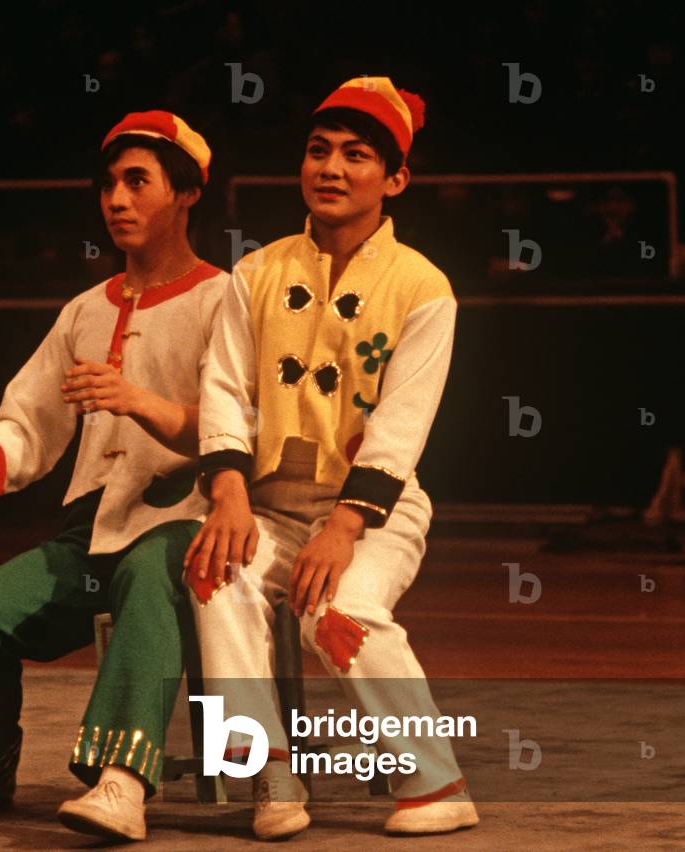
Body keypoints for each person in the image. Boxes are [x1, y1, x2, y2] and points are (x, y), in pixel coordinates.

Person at [0, 110, 228, 843]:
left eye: (137, 181)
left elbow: (239, 422)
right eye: (108, 183)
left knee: (147, 576)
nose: (116, 198)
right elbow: (31, 416)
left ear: (186, 193)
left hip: (185, 525)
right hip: (92, 529)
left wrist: (140, 402)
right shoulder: (84, 309)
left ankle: (122, 781)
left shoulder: (222, 300)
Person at [184, 77, 479, 839]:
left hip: (372, 511)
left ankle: (436, 783)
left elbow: (401, 425)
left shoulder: (423, 287)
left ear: (395, 179)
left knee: (338, 612)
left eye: (355, 155)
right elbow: (222, 389)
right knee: (213, 573)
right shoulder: (254, 272)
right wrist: (227, 494)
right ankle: (266, 779)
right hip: (264, 502)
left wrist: (345, 526)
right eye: (318, 151)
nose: (331, 168)